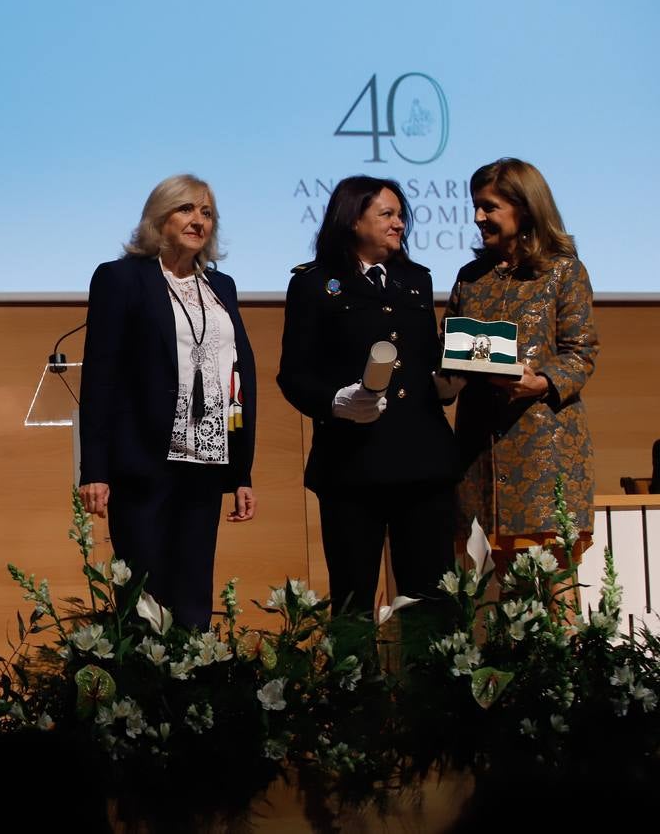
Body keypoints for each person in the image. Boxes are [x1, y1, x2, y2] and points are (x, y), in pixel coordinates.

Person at [77, 174, 257, 630]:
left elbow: (237, 376)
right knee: (144, 603)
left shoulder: (222, 287)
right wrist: (94, 469)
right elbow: (101, 377)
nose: (198, 220)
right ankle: (143, 699)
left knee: (195, 596)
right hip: (143, 462)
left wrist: (241, 472)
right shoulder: (121, 279)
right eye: (186, 209)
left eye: (207, 212)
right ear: (160, 216)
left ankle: (193, 694)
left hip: (207, 459)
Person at [278, 175, 457, 614]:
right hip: (351, 466)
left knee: (430, 601)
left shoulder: (416, 280)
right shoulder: (314, 284)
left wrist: (448, 382)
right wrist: (335, 402)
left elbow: (427, 361)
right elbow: (294, 375)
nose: (399, 224)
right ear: (353, 220)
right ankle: (357, 684)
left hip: (422, 463)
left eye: (400, 215)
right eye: (387, 214)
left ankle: (429, 683)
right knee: (353, 601)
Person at [445, 158, 598, 560]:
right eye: (475, 206)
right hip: (480, 453)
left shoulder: (564, 272)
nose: (478, 217)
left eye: (489, 207)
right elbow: (450, 348)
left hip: (545, 453)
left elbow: (581, 353)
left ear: (525, 207)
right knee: (501, 597)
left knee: (553, 585)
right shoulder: (470, 277)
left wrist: (542, 381)